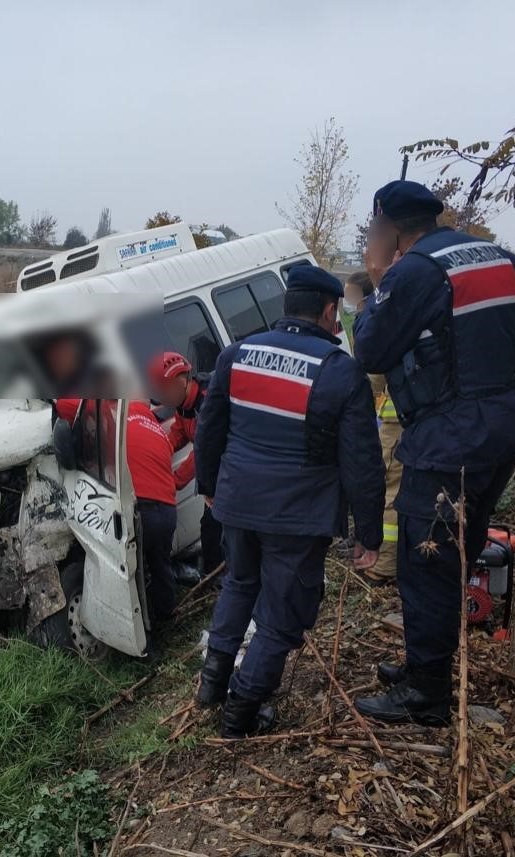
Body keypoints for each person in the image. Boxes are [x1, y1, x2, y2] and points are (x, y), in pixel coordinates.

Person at [352, 180, 515, 726]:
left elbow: (369, 349)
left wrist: (375, 282)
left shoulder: (412, 271)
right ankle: (426, 662)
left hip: (449, 440)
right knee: (461, 548)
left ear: (389, 228)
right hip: (502, 427)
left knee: (427, 561)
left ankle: (427, 693)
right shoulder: (502, 258)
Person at [193, 265, 385, 739]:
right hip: (297, 517)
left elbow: (209, 428)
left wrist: (209, 486)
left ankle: (212, 685)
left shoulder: (236, 355)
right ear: (327, 311)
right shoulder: (340, 371)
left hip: (236, 502)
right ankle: (240, 713)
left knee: (239, 584)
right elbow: (362, 462)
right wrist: (369, 533)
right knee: (281, 615)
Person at [54, 397, 179, 624]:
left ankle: (142, 636)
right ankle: (167, 619)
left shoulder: (116, 414)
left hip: (141, 511)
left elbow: (66, 404)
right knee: (161, 567)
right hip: (168, 510)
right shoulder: (154, 426)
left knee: (131, 576)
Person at [344, 271, 401, 584]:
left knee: (390, 489)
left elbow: (373, 376)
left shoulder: (380, 319)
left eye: (352, 296)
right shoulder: (397, 309)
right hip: (401, 418)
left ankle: (384, 566)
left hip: (396, 421)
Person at [148, 351, 224, 579]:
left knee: (215, 527)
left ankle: (218, 578)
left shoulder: (208, 400)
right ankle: (216, 574)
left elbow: (203, 452)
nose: (161, 400)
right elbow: (179, 433)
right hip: (214, 472)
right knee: (212, 526)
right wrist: (158, 451)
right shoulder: (184, 405)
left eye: (163, 391)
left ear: (181, 382)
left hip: (228, 470)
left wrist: (171, 483)